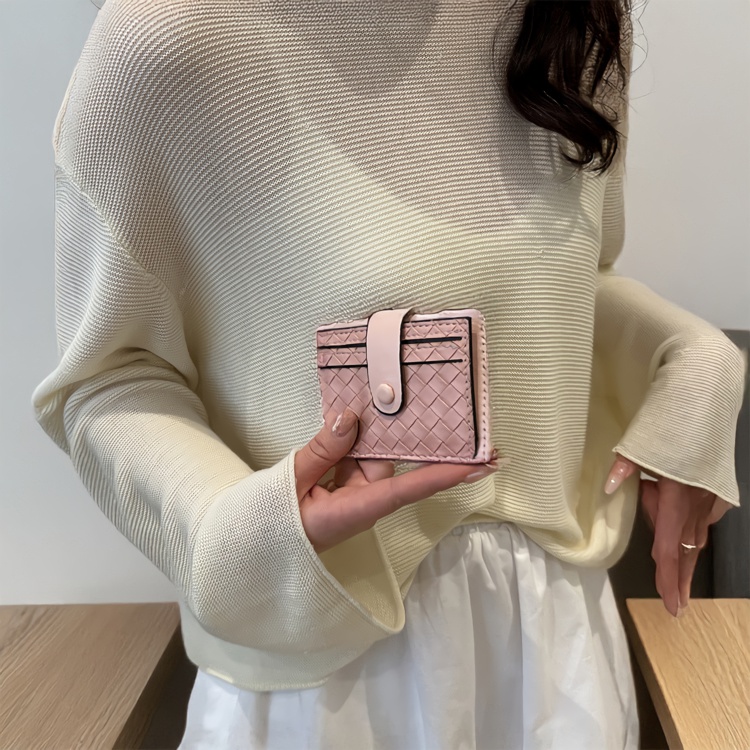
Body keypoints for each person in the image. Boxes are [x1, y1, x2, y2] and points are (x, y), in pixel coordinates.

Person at [31, 0, 746, 747]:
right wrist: (231, 534)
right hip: (329, 668)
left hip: (554, 648)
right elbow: (108, 374)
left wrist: (697, 361)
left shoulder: (580, 17)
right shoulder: (169, 41)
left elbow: (564, 285)